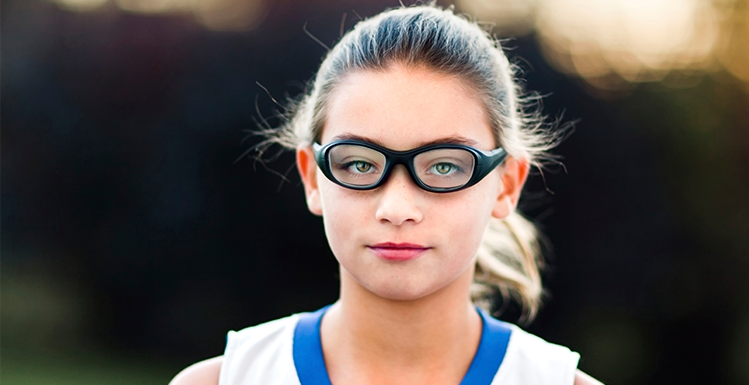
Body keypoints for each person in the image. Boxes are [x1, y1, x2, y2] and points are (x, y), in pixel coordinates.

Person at [171, 4, 602, 385]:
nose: (396, 209)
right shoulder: (224, 380)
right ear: (311, 177)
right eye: (359, 164)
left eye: (445, 165)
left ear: (506, 184)